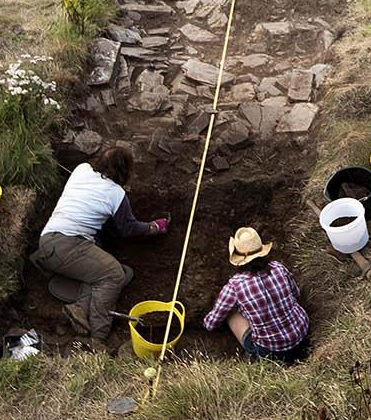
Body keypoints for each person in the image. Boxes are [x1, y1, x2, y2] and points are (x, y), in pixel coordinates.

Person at [32, 144, 170, 344]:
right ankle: (97, 337)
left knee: (123, 273)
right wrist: (154, 227)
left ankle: (80, 306)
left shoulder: (81, 170)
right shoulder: (116, 194)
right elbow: (129, 229)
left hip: (48, 242)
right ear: (125, 172)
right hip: (68, 245)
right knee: (113, 275)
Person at [202, 226, 311, 363]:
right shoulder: (278, 268)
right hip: (303, 335)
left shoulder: (235, 287)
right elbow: (296, 293)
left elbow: (210, 324)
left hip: (272, 352)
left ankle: (254, 356)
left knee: (232, 315)